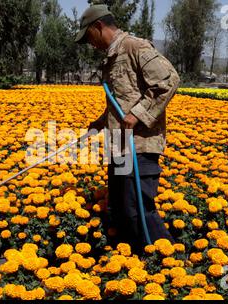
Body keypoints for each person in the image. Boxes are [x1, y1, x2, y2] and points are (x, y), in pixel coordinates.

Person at [75, 5, 180, 255]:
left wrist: (138, 114)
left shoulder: (135, 47)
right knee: (120, 209)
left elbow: (169, 81)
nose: (90, 44)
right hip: (119, 146)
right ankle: (132, 263)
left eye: (89, 37)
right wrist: (100, 123)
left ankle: (171, 262)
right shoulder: (112, 58)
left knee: (138, 210)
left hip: (140, 146)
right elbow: (122, 102)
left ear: (98, 27)